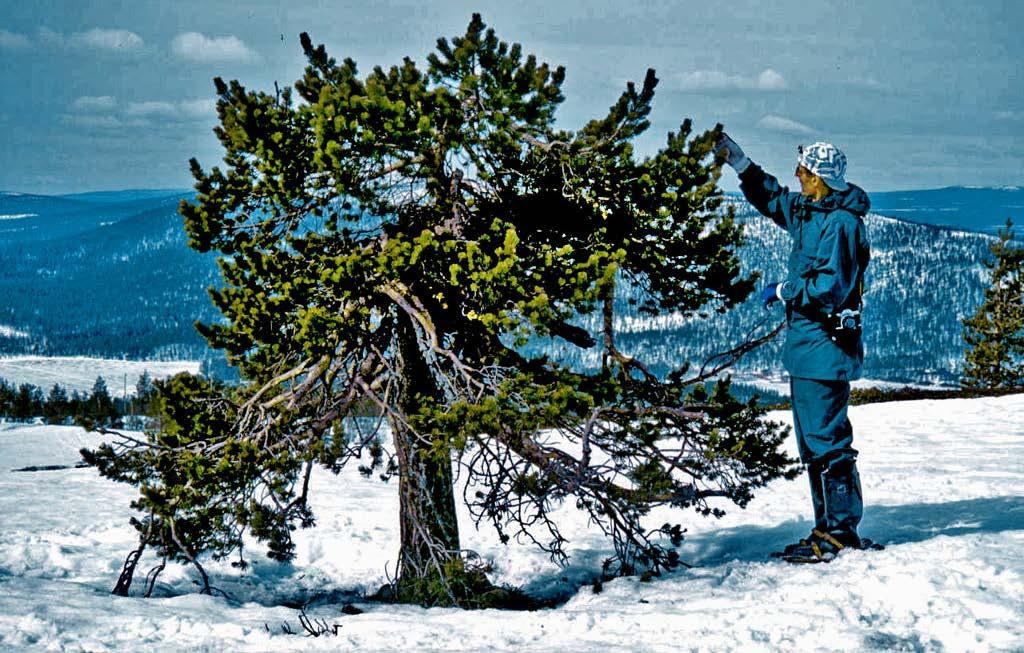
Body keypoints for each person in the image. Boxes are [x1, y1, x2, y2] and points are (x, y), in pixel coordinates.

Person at [716, 135, 874, 563]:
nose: (797, 175)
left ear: (820, 177)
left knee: (827, 442)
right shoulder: (811, 211)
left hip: (826, 346)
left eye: (803, 170)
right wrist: (741, 163)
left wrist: (786, 289)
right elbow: (774, 201)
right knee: (813, 444)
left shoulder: (840, 223)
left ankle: (840, 530)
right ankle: (828, 529)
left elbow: (831, 287)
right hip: (806, 347)